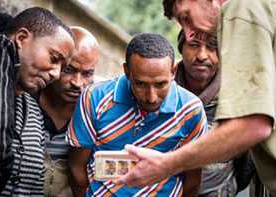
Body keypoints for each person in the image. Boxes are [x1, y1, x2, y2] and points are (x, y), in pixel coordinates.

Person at [116, 0, 276, 196]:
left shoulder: (241, 7)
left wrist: (165, 165)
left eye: (186, 17)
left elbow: (251, 126)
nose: (189, 32)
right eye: (191, 41)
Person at [67, 33, 208, 196]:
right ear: (127, 71)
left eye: (160, 84)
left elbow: (192, 181)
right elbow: (77, 168)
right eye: (140, 84)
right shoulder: (95, 98)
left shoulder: (191, 111)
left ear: (173, 71)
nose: (151, 97)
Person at [0, 8, 74, 195]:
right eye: (54, 59)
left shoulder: (33, 111)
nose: (56, 74)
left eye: (62, 67)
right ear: (21, 38)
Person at [177, 30, 255, 196]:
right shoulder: (159, 88)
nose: (202, 55)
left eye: (212, 46)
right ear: (181, 47)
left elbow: (246, 165)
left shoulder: (238, 96)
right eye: (193, 45)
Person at [40, 26, 99, 197]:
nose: (77, 83)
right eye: (68, 70)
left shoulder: (94, 114)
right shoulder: (24, 101)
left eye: (87, 74)